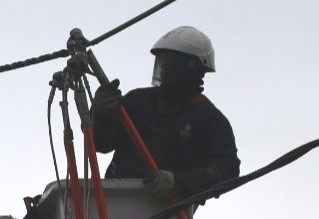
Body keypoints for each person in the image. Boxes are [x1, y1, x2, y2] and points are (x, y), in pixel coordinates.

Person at [90, 26, 239, 204]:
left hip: (167, 216)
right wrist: (101, 114)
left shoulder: (209, 119)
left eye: (168, 62)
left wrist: (179, 182)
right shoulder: (138, 101)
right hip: (116, 202)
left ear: (189, 67)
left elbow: (228, 170)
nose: (163, 68)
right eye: (161, 61)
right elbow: (101, 143)